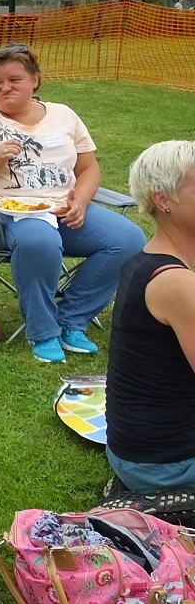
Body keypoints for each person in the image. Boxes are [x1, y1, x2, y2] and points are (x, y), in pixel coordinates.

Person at [0, 44, 145, 363]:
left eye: (14, 79)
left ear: (35, 80)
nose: (4, 87)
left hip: (63, 210)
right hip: (3, 215)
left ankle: (72, 320)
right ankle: (44, 331)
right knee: (40, 239)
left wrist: (81, 199)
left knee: (128, 240)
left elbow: (89, 168)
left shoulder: (64, 115)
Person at [105, 141, 195, 492]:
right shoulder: (177, 283)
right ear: (163, 199)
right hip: (166, 466)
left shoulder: (144, 260)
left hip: (135, 451)